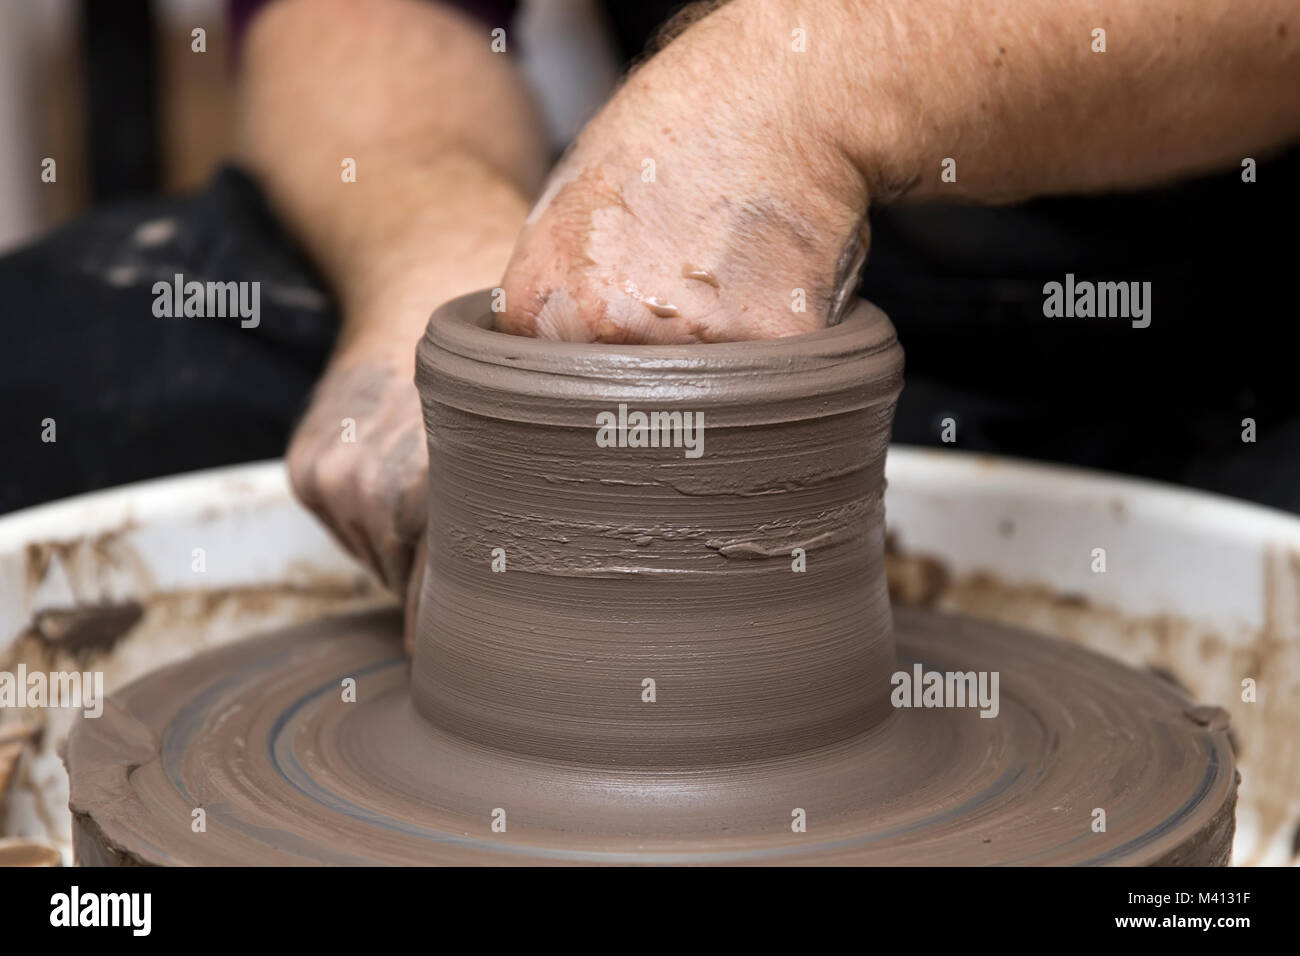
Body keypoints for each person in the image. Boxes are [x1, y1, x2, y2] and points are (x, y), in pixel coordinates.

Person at [6, 0, 1298, 643]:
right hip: (669, 257)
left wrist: (811, 77)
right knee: (61, 358)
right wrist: (434, 253)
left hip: (1239, 317)